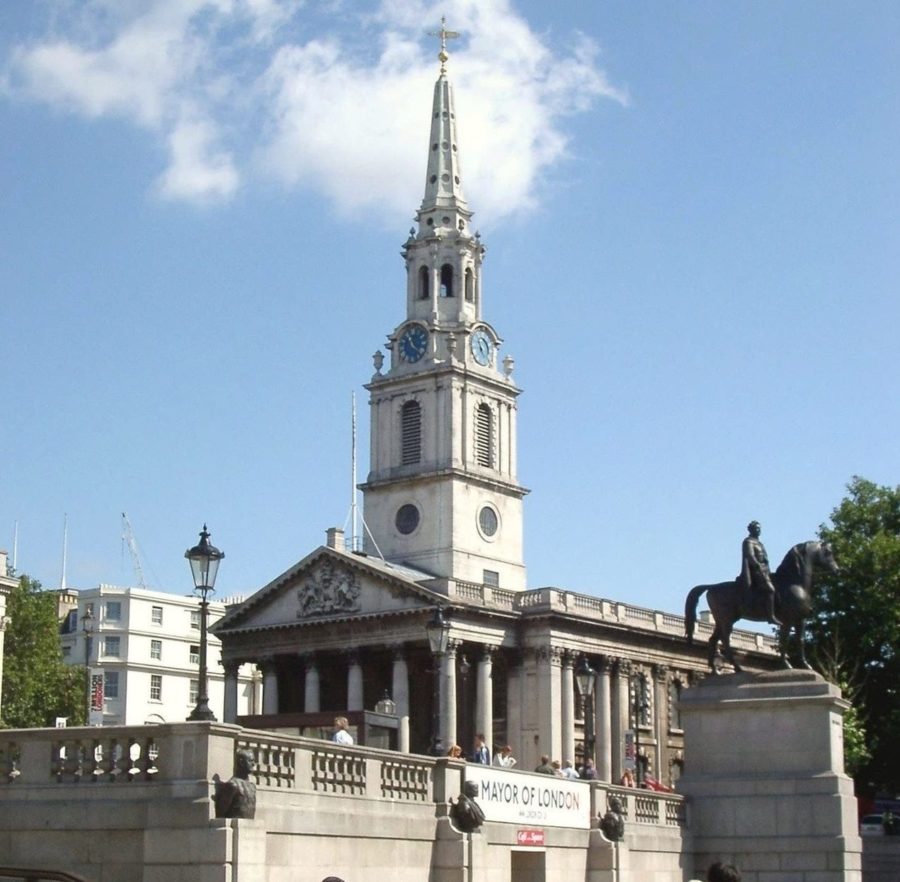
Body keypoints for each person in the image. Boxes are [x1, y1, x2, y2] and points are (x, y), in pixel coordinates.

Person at [738, 520, 782, 625]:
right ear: (751, 530)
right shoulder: (748, 541)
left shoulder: (759, 543)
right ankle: (771, 616)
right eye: (756, 528)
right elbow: (750, 556)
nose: (758, 530)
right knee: (770, 590)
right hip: (755, 571)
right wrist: (758, 565)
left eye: (759, 528)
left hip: (765, 570)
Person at [213, 748, 257, 819]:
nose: (253, 764)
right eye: (250, 761)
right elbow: (220, 813)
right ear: (241, 762)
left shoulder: (252, 787)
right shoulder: (232, 785)